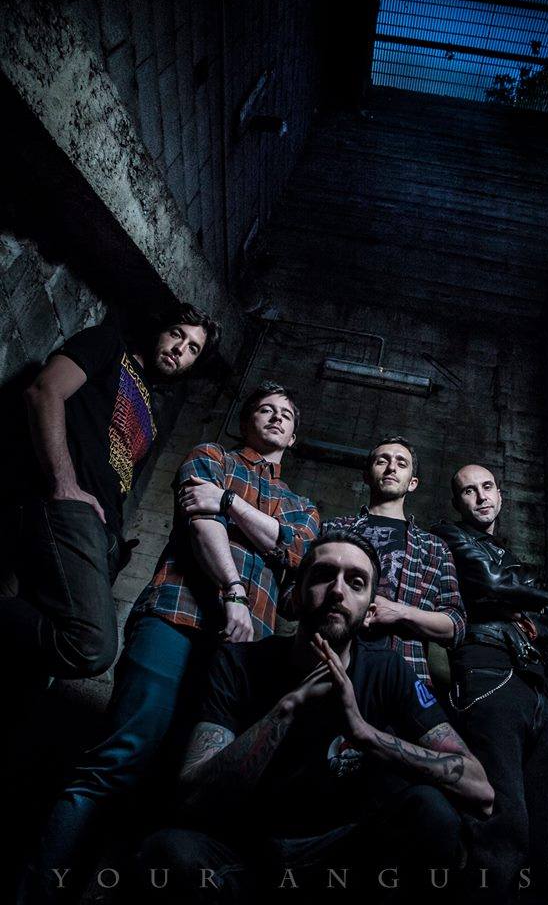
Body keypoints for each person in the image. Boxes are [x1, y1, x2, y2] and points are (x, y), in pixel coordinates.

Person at [18, 381, 320, 904]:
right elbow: (203, 523)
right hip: (176, 620)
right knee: (120, 760)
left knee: (182, 788)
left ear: (293, 436)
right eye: (265, 409)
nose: (275, 417)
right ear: (246, 421)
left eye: (285, 414)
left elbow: (297, 552)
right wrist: (234, 590)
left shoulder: (303, 507)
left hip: (242, 655)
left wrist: (229, 503)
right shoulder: (211, 457)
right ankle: (36, 894)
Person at [136, 529, 494, 903]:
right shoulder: (239, 664)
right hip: (250, 855)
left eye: (356, 582)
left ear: (369, 611)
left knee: (431, 813)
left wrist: (364, 733)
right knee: (166, 852)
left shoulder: (388, 671)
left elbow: (480, 790)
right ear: (296, 594)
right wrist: (286, 710)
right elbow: (190, 798)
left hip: (342, 860)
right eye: (324, 575)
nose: (338, 590)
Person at [1, 302, 218, 686]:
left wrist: (113, 547)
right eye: (177, 334)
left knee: (30, 663)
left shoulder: (152, 418)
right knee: (91, 645)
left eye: (193, 349)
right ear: (159, 331)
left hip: (100, 536)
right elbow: (44, 391)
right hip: (66, 506)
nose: (179, 349)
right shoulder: (109, 345)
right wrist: (64, 484)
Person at [432, 464, 548, 905]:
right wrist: (539, 599)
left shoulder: (512, 561)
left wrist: (522, 605)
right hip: (488, 673)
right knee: (500, 821)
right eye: (469, 491)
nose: (481, 497)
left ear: (500, 495)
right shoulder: (450, 535)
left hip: (534, 684)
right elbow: (489, 582)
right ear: (458, 502)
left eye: (488, 487)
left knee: (537, 830)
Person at [322, 436, 465, 686]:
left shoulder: (434, 547)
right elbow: (292, 597)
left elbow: (456, 625)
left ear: (413, 482)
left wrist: (400, 612)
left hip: (402, 676)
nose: (391, 468)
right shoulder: (333, 529)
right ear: (366, 476)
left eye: (401, 463)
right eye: (382, 461)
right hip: (325, 665)